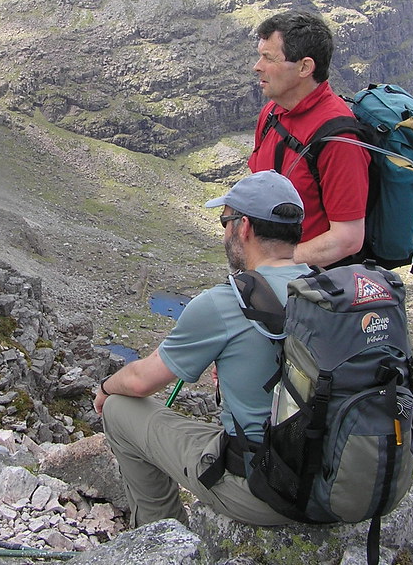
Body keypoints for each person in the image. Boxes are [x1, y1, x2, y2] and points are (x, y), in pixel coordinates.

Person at [95, 170, 307, 527]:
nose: (224, 231)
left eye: (226, 220)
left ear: (244, 228)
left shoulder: (227, 301)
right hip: (342, 480)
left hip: (269, 492)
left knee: (118, 407)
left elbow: (139, 382)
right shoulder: (331, 289)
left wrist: (104, 389)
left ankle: (161, 537)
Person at [248, 11, 370, 268]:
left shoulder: (339, 138)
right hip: (265, 276)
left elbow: (347, 238)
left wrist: (273, 265)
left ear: (305, 67)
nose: (257, 66)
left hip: (311, 288)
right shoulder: (271, 112)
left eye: (268, 57)